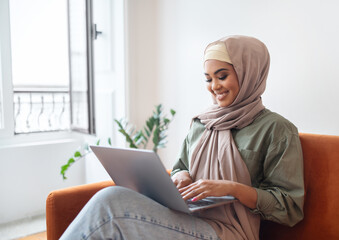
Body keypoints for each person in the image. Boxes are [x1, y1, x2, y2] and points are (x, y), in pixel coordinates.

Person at [60, 35, 304, 240]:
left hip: (227, 232)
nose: (214, 86)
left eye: (222, 76)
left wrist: (232, 188)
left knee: (111, 202)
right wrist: (181, 176)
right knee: (116, 199)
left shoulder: (276, 129)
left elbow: (290, 207)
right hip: (185, 217)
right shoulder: (201, 123)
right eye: (208, 79)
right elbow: (179, 168)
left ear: (250, 73)